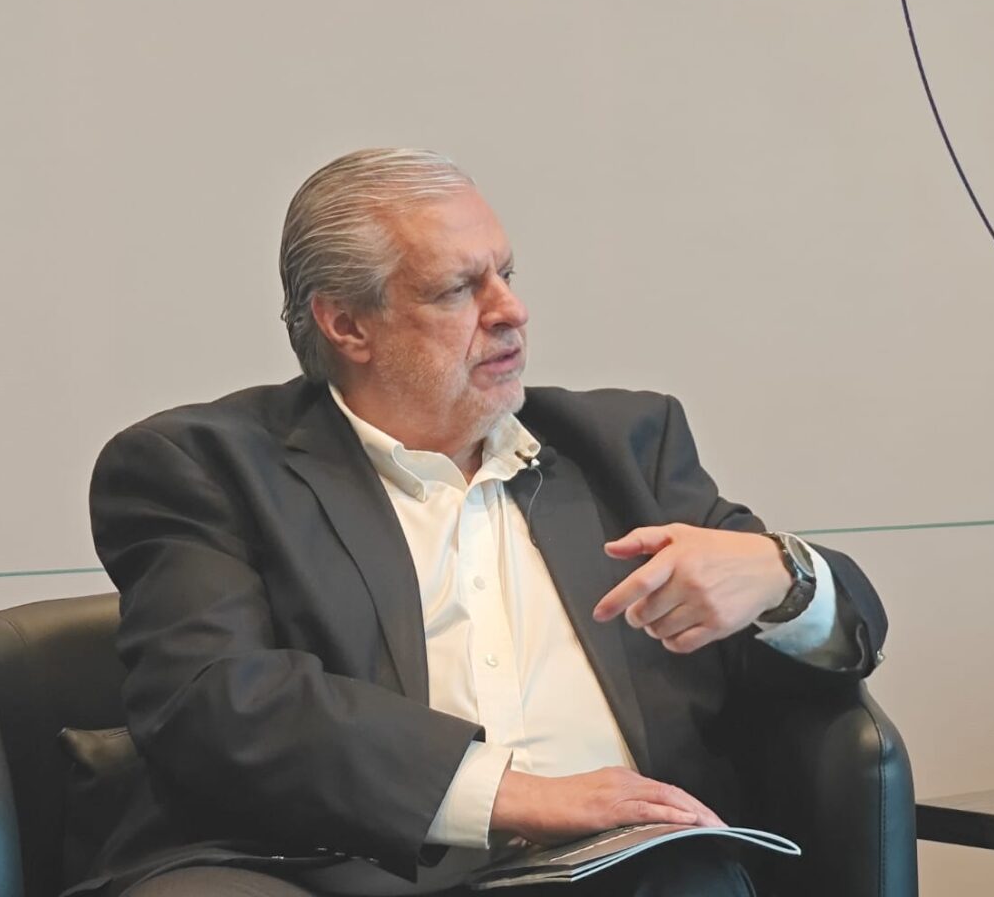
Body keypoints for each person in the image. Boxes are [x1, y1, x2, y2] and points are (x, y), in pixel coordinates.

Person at [73, 149, 887, 897]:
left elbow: (850, 629)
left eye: (506, 274)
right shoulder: (206, 468)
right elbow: (218, 702)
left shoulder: (627, 448)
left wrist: (782, 577)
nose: (512, 310)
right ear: (347, 324)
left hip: (630, 872)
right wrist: (510, 796)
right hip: (332, 873)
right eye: (459, 289)